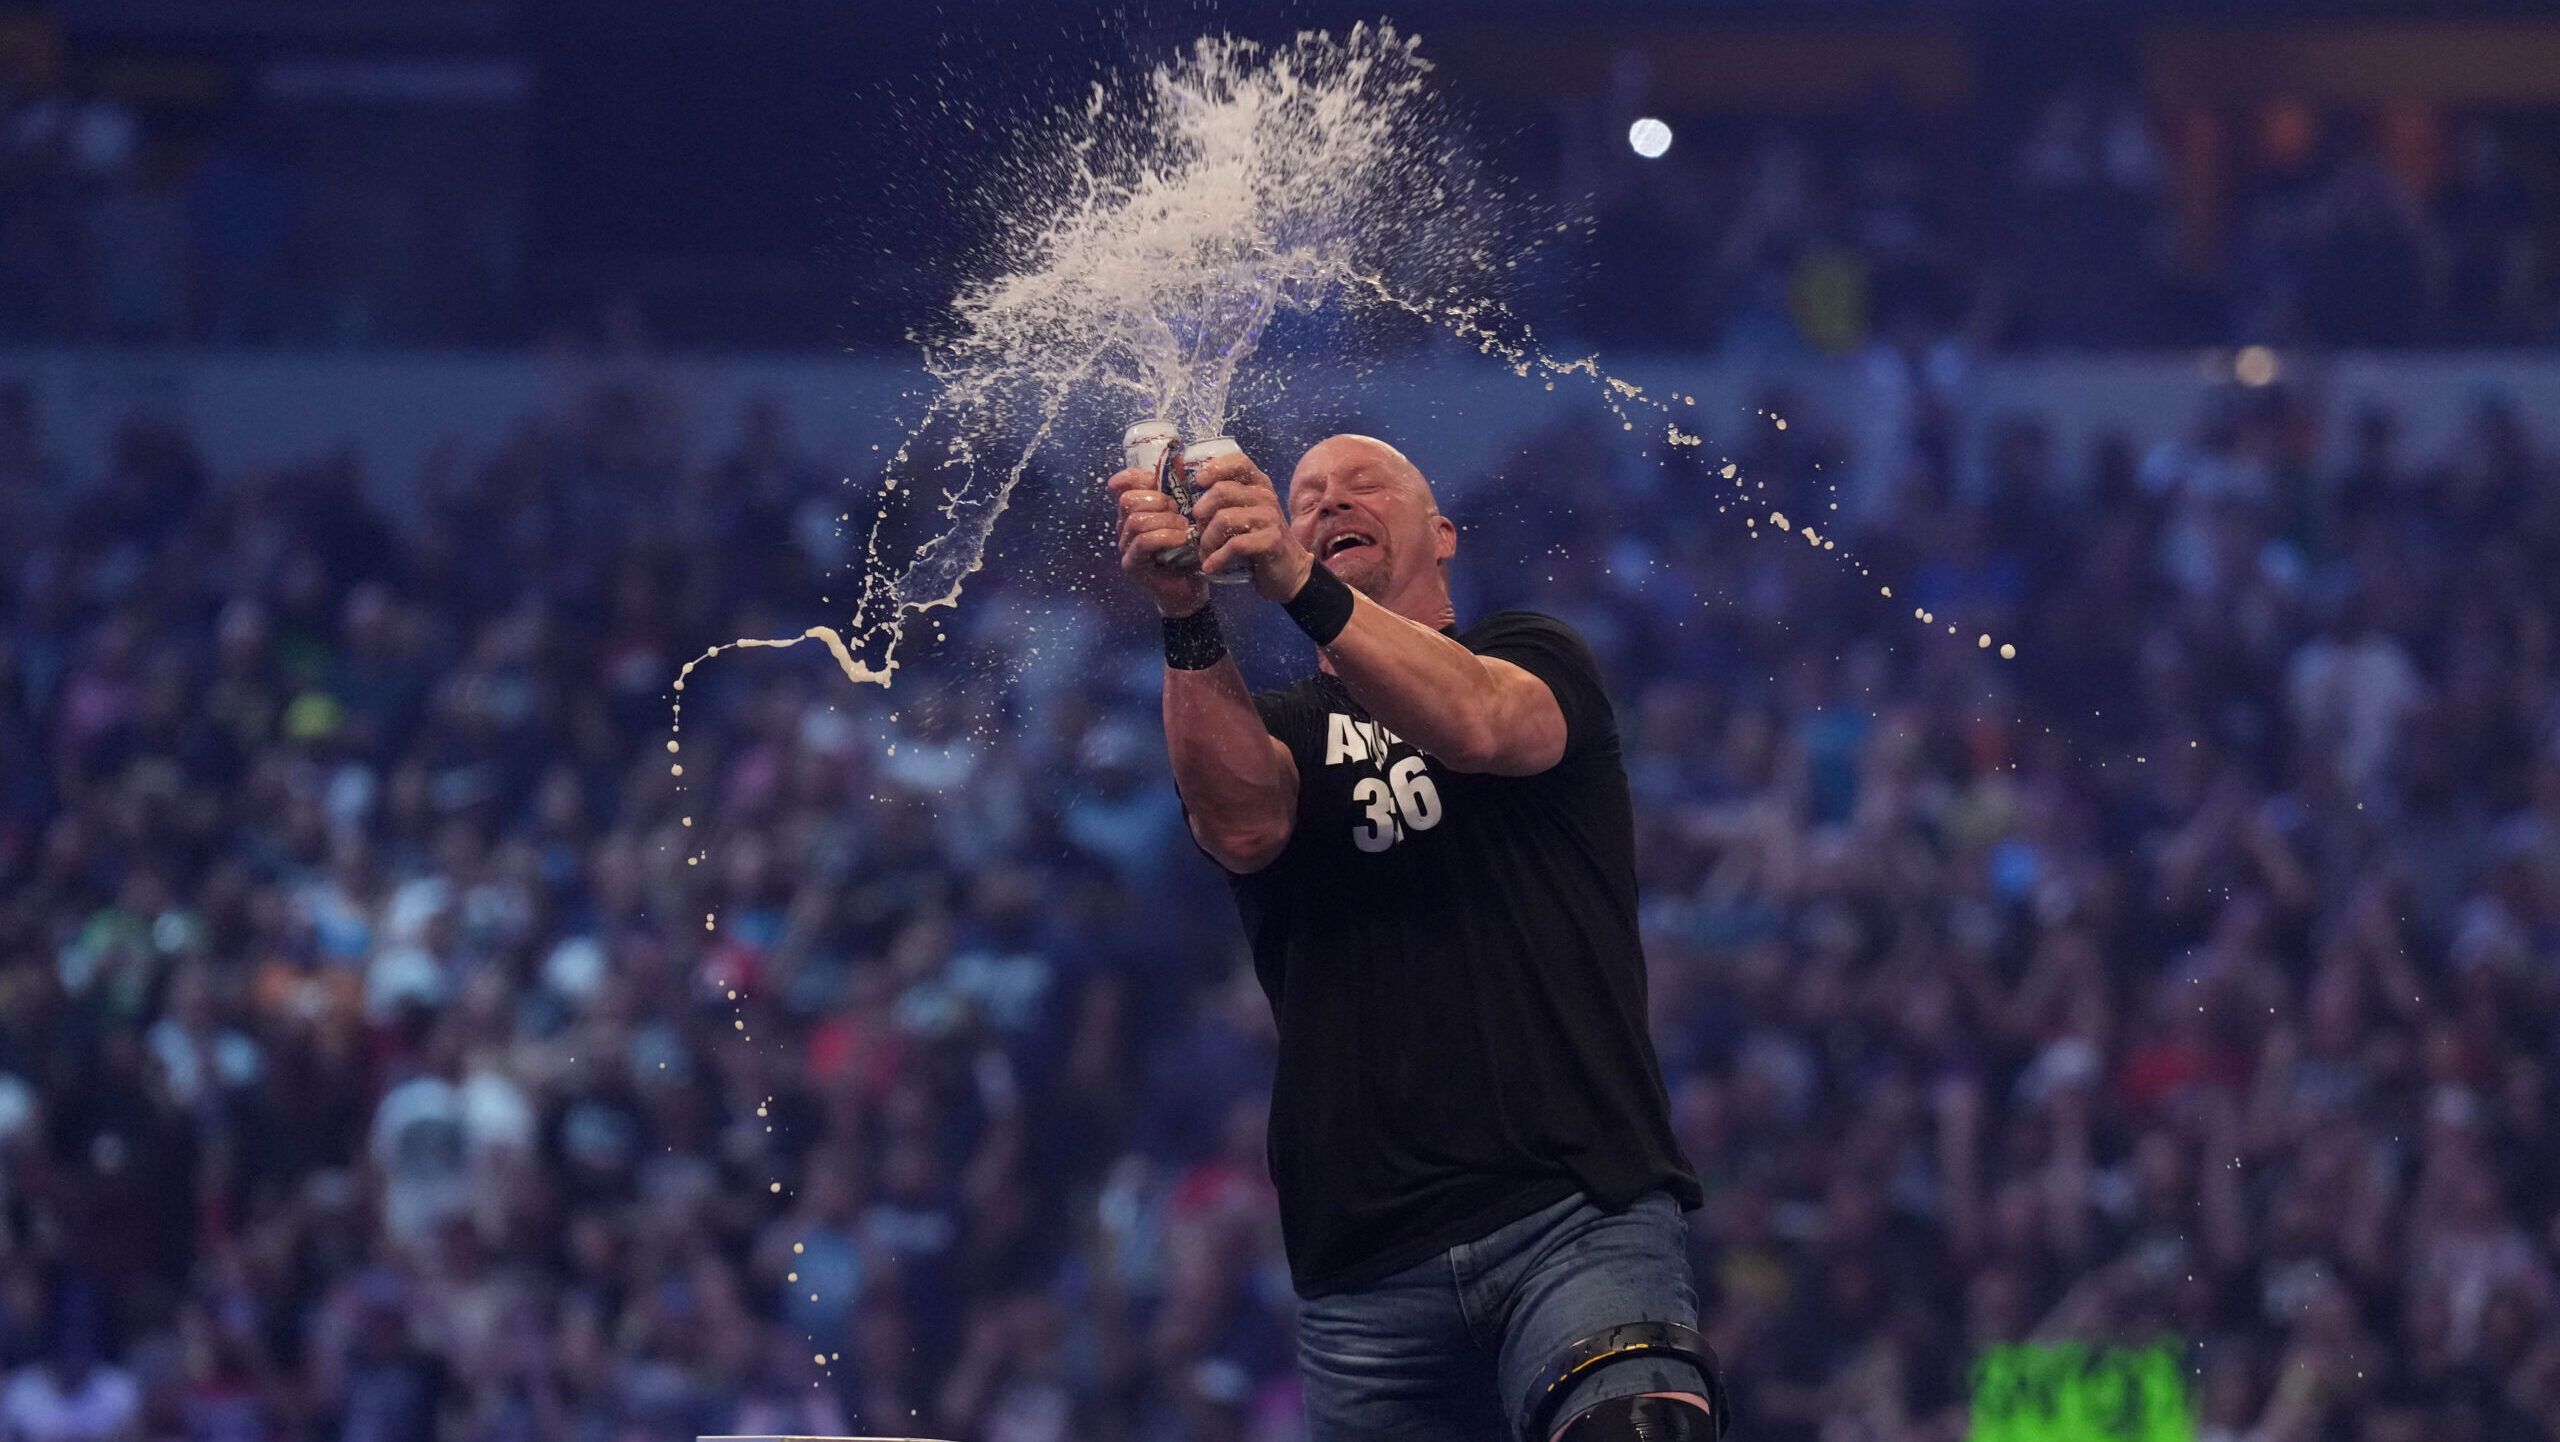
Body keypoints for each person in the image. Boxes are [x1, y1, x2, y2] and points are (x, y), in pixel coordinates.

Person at [1108, 434, 1728, 1441]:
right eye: (1304, 497)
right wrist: (1184, 611)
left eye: (1362, 485)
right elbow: (1240, 823)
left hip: (1573, 1210)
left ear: (1440, 534)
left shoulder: (1532, 655)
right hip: (1368, 1256)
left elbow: (1481, 726)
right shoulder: (1280, 729)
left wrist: (1293, 575)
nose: (1326, 500)